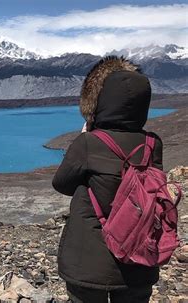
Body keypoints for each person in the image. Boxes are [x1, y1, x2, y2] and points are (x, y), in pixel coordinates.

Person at [52, 56, 163, 303]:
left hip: (88, 260)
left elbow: (61, 184)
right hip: (139, 257)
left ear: (100, 103)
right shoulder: (152, 144)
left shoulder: (89, 143)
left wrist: (84, 137)